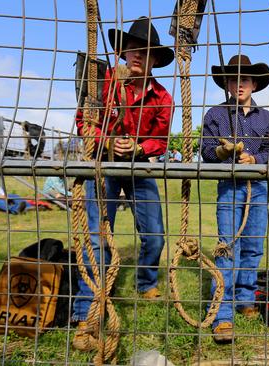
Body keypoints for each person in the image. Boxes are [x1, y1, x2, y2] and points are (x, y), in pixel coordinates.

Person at [72, 17, 174, 351]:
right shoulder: (104, 86)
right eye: (131, 48)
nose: (136, 55)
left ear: (155, 59)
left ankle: (146, 281)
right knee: (98, 235)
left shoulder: (163, 97)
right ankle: (87, 302)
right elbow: (83, 123)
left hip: (140, 168)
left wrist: (139, 148)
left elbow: (160, 140)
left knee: (155, 234)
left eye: (144, 51)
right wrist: (109, 140)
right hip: (105, 165)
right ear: (122, 52)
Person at [201, 54, 269, 343]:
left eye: (244, 79)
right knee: (228, 247)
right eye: (233, 79)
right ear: (227, 84)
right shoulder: (215, 115)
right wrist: (223, 153)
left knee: (254, 245)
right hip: (229, 186)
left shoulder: (267, 118)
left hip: (258, 187)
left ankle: (246, 298)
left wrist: (253, 158)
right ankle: (222, 314)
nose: (239, 84)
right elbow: (207, 152)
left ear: (255, 84)